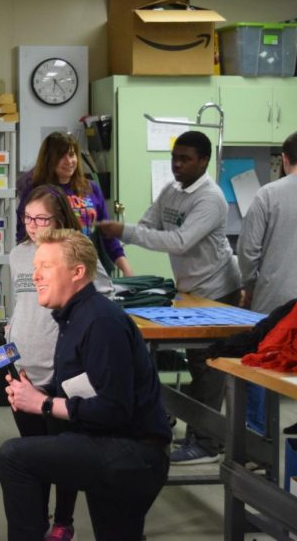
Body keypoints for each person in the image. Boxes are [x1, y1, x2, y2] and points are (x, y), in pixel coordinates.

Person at [0, 229, 170, 541]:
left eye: (45, 267)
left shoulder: (101, 322)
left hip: (134, 454)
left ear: (78, 272)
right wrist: (37, 395)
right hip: (111, 442)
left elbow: (114, 409)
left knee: (14, 457)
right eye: (35, 267)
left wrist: (42, 404)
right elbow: (84, 389)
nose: (35, 276)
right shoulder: (73, 318)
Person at [98, 130, 243, 465]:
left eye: (185, 159)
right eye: (175, 157)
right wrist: (112, 237)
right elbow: (148, 225)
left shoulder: (210, 199)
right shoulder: (171, 190)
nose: (177, 165)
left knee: (210, 367)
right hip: (190, 289)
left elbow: (178, 241)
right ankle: (187, 428)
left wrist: (125, 231)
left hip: (219, 289)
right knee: (197, 363)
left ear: (204, 161)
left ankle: (206, 443)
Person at [6, 184, 114, 541]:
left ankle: (63, 522)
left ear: (60, 219)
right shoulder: (17, 255)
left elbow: (105, 295)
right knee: (29, 451)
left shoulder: (73, 254)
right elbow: (19, 302)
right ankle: (36, 520)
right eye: (28, 218)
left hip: (61, 368)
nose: (33, 225)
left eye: (42, 218)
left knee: (63, 453)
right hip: (23, 364)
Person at [237, 130, 297, 435]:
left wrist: (249, 285)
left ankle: (257, 431)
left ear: (284, 160)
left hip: (274, 298)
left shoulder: (268, 194)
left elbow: (247, 251)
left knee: (263, 360)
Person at [16, 132, 133, 277]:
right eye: (61, 156)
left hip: (88, 267)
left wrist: (127, 270)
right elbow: (24, 235)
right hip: (54, 270)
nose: (68, 161)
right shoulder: (36, 191)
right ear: (49, 159)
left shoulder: (90, 188)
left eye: (72, 155)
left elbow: (107, 233)